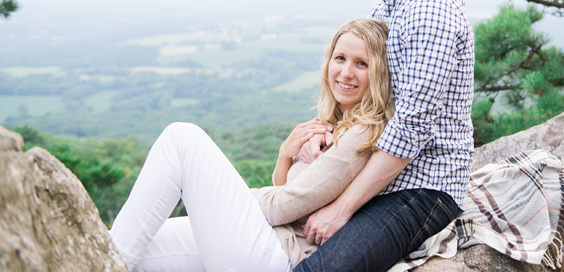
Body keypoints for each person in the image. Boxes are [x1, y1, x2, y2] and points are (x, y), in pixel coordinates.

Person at [109, 18, 393, 272]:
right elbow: (289, 193)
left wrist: (218, 194)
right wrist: (285, 156)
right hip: (264, 238)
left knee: (181, 139)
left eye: (361, 63)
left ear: (378, 74)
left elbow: (282, 207)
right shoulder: (332, 124)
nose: (345, 72)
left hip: (276, 254)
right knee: (138, 247)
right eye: (340, 58)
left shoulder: (360, 135)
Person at [295, 0, 475, 272]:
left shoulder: (428, 8)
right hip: (382, 174)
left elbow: (412, 126)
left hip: (422, 186)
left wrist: (341, 209)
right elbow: (368, 95)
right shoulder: (390, 1)